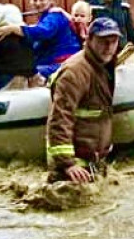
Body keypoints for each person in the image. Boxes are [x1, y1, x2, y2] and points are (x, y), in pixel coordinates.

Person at [46, 17, 121, 184]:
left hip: (94, 160)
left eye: (113, 41)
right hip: (74, 165)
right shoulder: (75, 72)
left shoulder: (104, 66)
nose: (109, 47)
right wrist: (67, 163)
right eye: (103, 41)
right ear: (89, 39)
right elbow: (60, 118)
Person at [0, 0, 81, 84]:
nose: (38, 3)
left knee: (24, 75)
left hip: (62, 64)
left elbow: (43, 32)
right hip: (51, 62)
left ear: (50, 0)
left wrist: (16, 29)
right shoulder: (45, 17)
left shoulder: (54, 16)